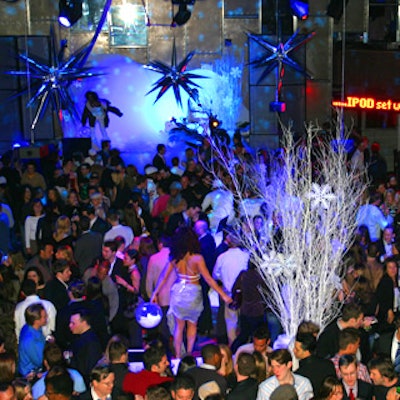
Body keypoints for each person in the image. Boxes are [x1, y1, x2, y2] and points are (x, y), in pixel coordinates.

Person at [150, 227, 232, 358]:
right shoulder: (197, 258)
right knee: (192, 325)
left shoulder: (175, 257)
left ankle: (177, 356)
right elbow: (209, 279)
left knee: (179, 327)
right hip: (193, 293)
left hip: (178, 292)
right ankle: (188, 354)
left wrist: (155, 293)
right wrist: (223, 295)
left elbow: (163, 277)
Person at [68, 309, 103, 385]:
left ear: (83, 323)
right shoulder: (80, 339)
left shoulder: (91, 342)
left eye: (73, 323)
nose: (70, 325)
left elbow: (89, 368)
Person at [18, 303, 47, 378]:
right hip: (30, 375)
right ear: (36, 321)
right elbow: (39, 361)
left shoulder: (31, 327)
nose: (47, 318)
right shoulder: (30, 340)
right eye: (44, 317)